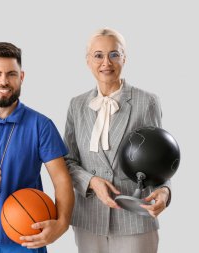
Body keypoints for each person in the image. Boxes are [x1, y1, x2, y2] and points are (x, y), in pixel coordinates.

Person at [0, 42, 74, 253]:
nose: (3, 81)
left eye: (11, 74)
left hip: (28, 235)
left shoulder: (40, 124)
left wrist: (61, 224)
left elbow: (62, 180)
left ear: (22, 77)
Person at [63, 28, 171, 253]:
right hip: (89, 220)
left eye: (114, 54)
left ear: (124, 58)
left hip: (135, 219)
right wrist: (92, 181)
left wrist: (165, 192)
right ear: (88, 60)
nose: (106, 62)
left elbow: (161, 157)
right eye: (98, 55)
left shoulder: (147, 101)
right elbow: (67, 161)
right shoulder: (76, 104)